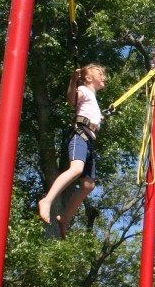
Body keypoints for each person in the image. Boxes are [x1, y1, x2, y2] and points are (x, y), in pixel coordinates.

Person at [38, 64, 106, 237]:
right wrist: (73, 80)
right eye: (100, 74)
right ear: (89, 78)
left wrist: (98, 118)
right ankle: (47, 201)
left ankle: (65, 219)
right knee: (76, 169)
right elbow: (71, 100)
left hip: (89, 140)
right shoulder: (83, 89)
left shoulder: (93, 98)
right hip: (79, 135)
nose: (104, 76)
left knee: (88, 185)